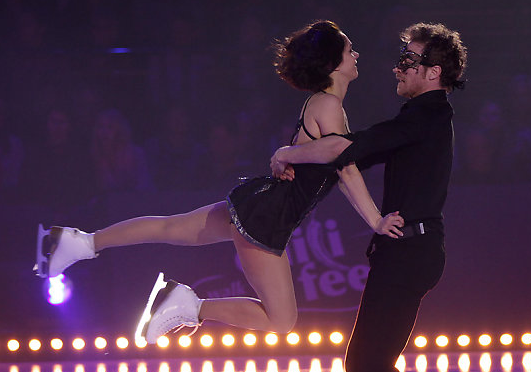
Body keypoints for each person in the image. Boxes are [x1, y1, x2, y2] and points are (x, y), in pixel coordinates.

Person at [35, 20, 402, 344]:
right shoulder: (327, 105)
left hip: (262, 205)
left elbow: (334, 158)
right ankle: (190, 305)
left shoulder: (324, 105)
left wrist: (288, 154)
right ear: (333, 62)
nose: (357, 55)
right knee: (282, 320)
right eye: (350, 49)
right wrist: (376, 221)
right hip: (266, 219)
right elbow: (345, 167)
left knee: (171, 227)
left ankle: (76, 242)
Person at [271, 22, 467, 372]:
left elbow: (350, 147)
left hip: (413, 249)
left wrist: (288, 152)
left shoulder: (429, 114)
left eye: (410, 58)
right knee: (361, 363)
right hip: (403, 249)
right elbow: (354, 149)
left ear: (433, 72)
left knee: (372, 365)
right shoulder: (418, 115)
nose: (399, 64)